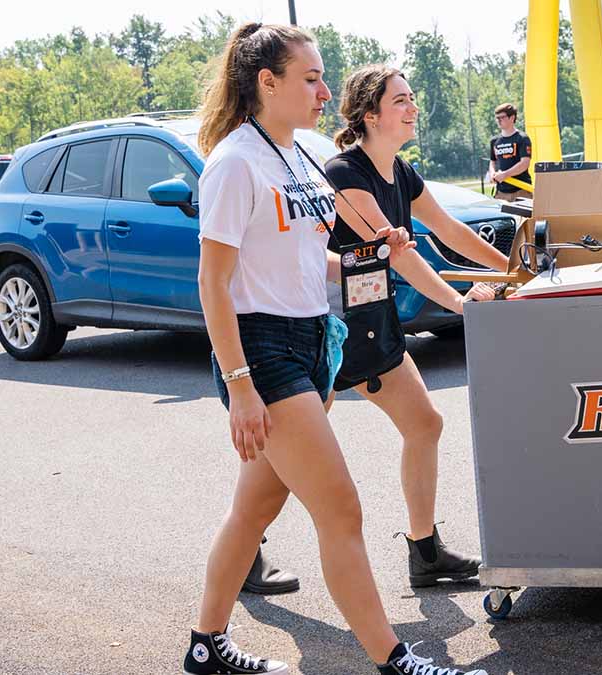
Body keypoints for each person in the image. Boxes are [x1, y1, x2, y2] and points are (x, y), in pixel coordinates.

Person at [185, 23, 487, 675]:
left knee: (253, 507)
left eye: (323, 76)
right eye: (310, 78)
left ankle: (205, 644)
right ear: (268, 83)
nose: (325, 90)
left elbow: (307, 260)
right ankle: (394, 658)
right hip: (263, 351)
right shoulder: (235, 161)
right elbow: (212, 280)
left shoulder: (295, 155)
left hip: (309, 340)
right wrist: (239, 385)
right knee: (341, 505)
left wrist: (368, 257)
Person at [324, 65, 509, 589]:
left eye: (411, 98)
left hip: (371, 325)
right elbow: (397, 257)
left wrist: (516, 269)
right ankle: (246, 547)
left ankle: (424, 552)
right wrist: (458, 304)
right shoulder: (344, 175)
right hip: (328, 330)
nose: (412, 107)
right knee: (291, 459)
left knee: (424, 424)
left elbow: (447, 228)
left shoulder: (400, 171)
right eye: (401, 100)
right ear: (370, 115)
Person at [488, 103, 533, 202]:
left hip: (521, 191)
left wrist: (505, 175)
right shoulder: (494, 141)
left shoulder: (522, 138)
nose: (499, 120)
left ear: (512, 118)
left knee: (525, 218)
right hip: (501, 193)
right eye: (497, 118)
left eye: (502, 117)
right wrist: (492, 173)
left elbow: (525, 163)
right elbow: (492, 161)